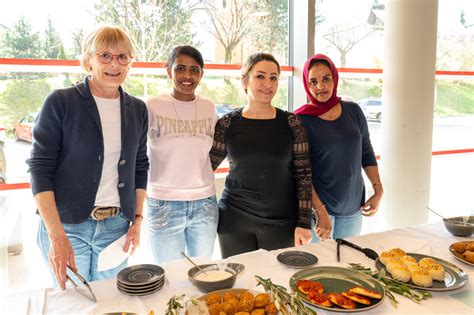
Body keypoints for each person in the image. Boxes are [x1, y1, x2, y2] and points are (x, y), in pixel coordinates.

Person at [27, 26, 149, 289]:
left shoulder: (137, 109)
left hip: (116, 229)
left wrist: (137, 221)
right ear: (88, 61)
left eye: (122, 57)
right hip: (69, 228)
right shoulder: (61, 102)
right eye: (105, 55)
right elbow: (39, 170)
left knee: (110, 302)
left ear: (130, 62)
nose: (114, 64)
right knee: (76, 303)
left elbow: (140, 166)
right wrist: (56, 236)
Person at [210, 53, 313, 258]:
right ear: (245, 81)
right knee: (239, 283)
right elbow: (205, 167)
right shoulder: (227, 123)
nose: (268, 84)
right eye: (260, 76)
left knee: (277, 281)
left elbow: (303, 175)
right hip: (234, 219)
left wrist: (304, 222)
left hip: (281, 220)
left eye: (273, 77)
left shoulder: (292, 123)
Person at [295, 53, 383, 241]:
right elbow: (301, 172)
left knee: (348, 264)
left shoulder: (353, 111)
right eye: (313, 82)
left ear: (334, 79)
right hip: (318, 211)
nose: (321, 86)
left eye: (326, 79)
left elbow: (366, 152)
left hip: (353, 208)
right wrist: (320, 212)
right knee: (320, 267)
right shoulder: (300, 120)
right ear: (307, 85)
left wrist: (378, 190)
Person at [146, 45, 219, 264]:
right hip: (164, 204)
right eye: (180, 68)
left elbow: (214, 150)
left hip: (205, 204)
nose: (187, 76)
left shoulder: (208, 107)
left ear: (201, 74)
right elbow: (136, 153)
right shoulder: (152, 106)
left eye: (194, 70)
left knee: (204, 271)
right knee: (171, 276)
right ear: (169, 71)